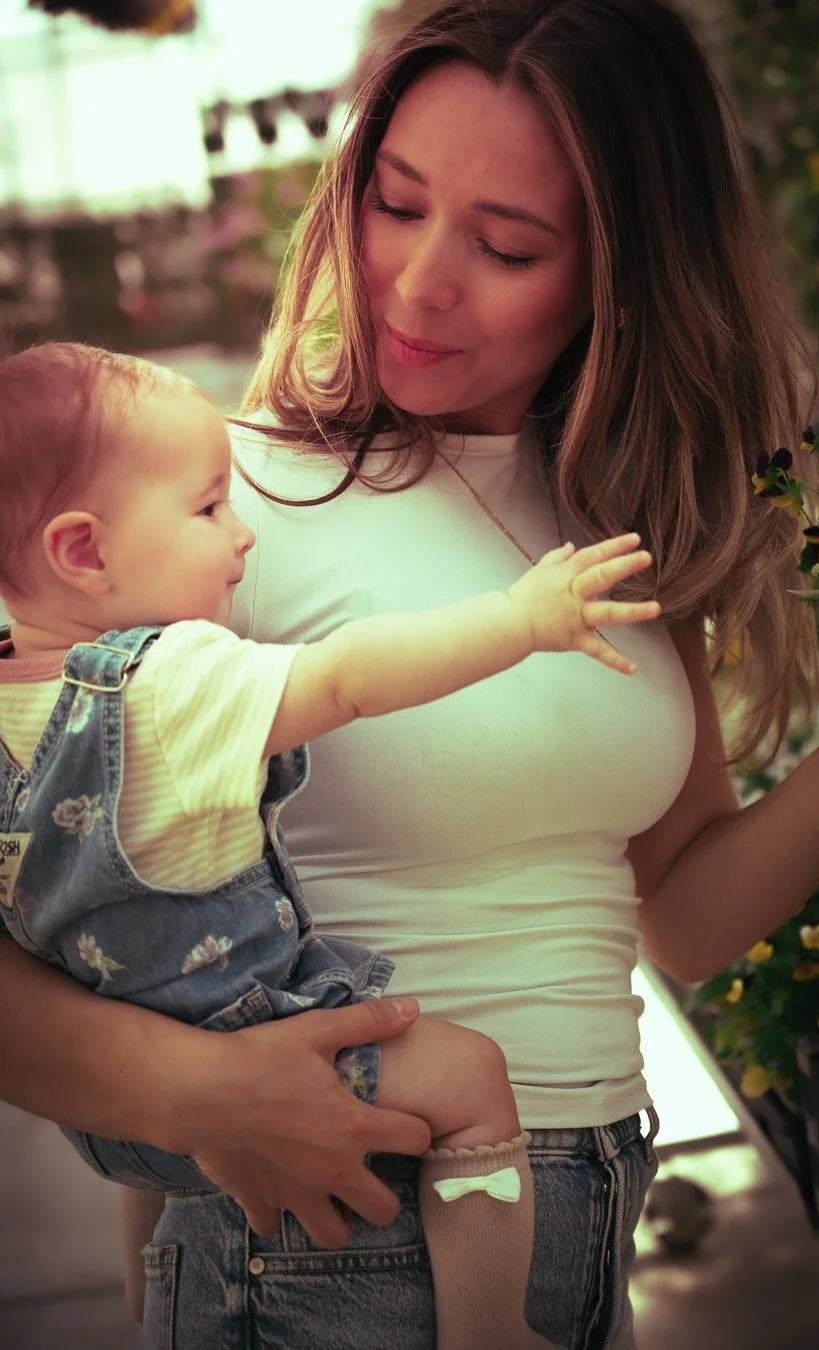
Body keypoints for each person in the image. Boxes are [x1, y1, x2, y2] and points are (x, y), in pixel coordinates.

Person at [0, 1, 819, 1346]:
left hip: (579, 1208)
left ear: (618, 269)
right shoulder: (211, 511)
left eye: (505, 243)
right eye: (395, 203)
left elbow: (681, 916)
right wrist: (191, 1096)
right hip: (334, 1224)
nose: (419, 282)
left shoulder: (624, 526)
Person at [0, 339, 659, 1350]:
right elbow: (350, 678)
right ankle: (494, 1332)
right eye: (210, 507)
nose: (243, 536)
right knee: (471, 1077)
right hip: (271, 1067)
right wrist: (520, 620)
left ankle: (155, 1299)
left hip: (121, 1123)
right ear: (83, 552)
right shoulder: (167, 683)